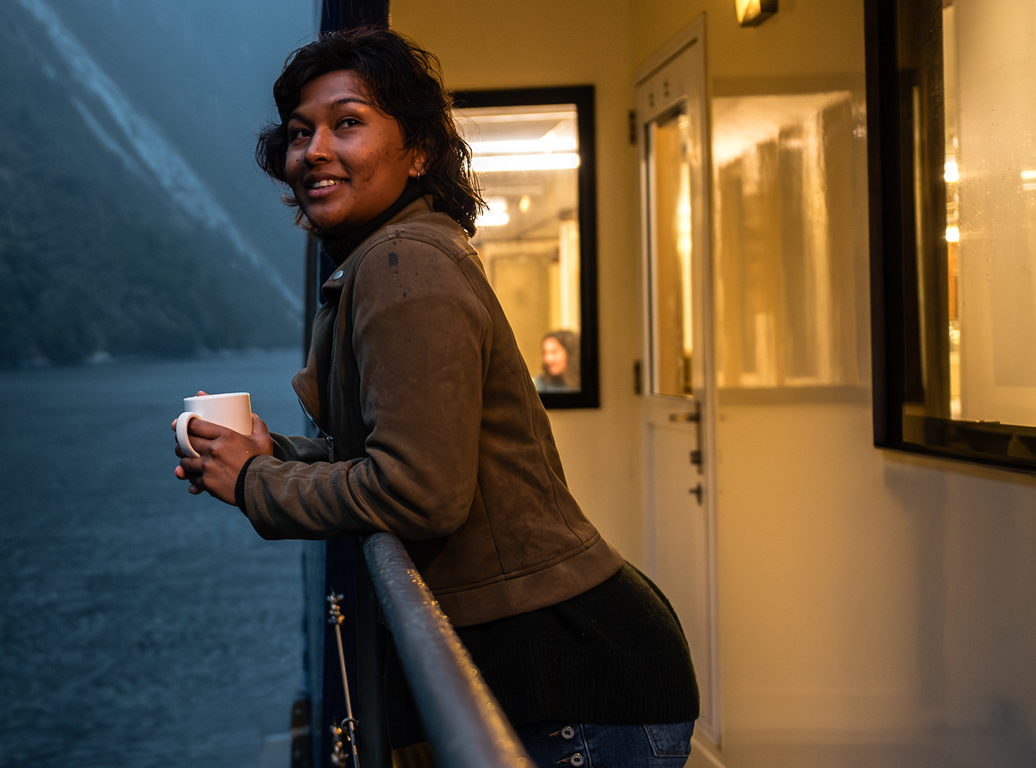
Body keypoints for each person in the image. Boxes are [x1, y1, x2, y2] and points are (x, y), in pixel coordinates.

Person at [172, 27, 698, 768]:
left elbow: (419, 492)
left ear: (417, 152)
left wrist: (258, 483)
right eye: (300, 132)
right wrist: (274, 453)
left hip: (569, 679)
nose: (314, 149)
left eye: (347, 122)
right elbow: (399, 448)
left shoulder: (400, 263)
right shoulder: (397, 256)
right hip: (574, 667)